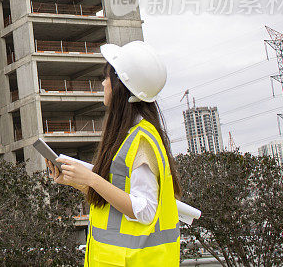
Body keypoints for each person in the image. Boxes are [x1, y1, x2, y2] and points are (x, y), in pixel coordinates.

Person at [47, 40, 182, 266]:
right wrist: (75, 180)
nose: (103, 83)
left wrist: (91, 178)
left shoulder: (141, 140)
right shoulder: (129, 135)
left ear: (121, 85)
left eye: (107, 77)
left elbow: (144, 210)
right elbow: (117, 196)